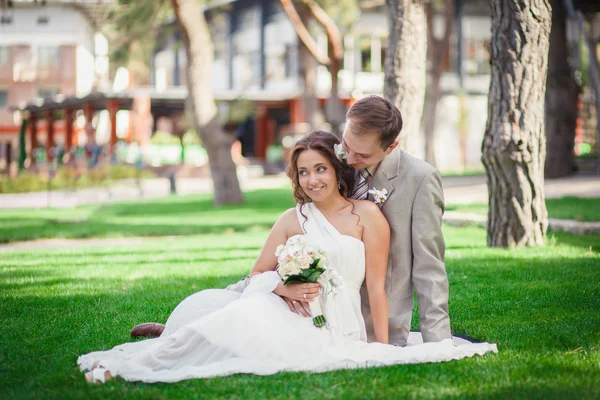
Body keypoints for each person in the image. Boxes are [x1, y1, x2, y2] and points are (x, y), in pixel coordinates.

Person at [79, 131, 496, 383]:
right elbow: (256, 274)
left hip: (337, 325)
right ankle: (135, 364)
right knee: (238, 319)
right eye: (302, 172)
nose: (311, 180)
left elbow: (376, 287)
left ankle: (157, 349)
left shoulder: (368, 216)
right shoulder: (292, 218)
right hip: (280, 307)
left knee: (237, 339)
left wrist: (383, 348)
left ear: (337, 169)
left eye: (320, 169)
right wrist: (284, 285)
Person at [132, 95, 450, 347]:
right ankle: (193, 328)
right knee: (245, 303)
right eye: (346, 148)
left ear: (390, 146)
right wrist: (280, 286)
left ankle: (197, 329)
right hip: (308, 294)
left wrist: (439, 344)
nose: (349, 161)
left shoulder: (419, 180)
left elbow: (429, 269)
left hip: (364, 310)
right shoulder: (336, 157)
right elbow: (310, 228)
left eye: (361, 156)